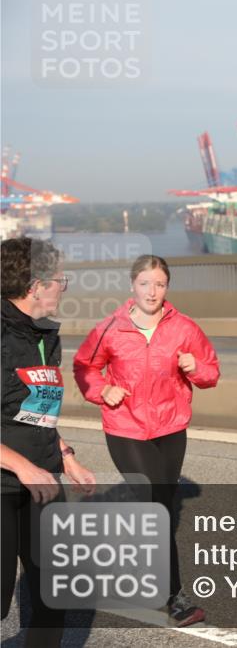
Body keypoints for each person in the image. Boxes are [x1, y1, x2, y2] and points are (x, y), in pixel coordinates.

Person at [73, 255, 219, 627]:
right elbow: (84, 366)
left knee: (162, 505)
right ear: (132, 285)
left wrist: (196, 368)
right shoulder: (111, 328)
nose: (152, 292)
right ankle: (175, 596)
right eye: (144, 284)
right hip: (126, 428)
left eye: (159, 284)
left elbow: (211, 372)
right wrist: (101, 390)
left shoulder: (184, 327)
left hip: (171, 428)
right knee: (155, 505)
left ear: (167, 287)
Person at [2, 237, 96, 647]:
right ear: (35, 285)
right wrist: (22, 466)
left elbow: (35, 410)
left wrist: (66, 456)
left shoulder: (44, 336)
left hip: (42, 477)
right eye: (60, 279)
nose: (64, 287)